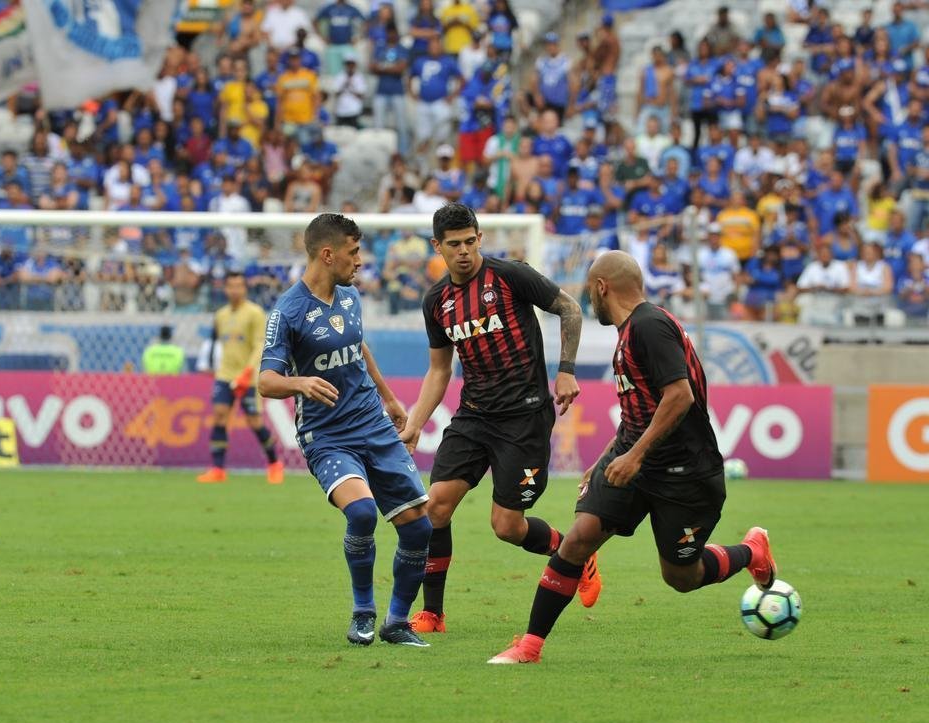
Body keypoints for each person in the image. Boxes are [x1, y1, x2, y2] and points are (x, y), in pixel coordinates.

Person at [488, 251, 777, 664]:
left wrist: (635, 455)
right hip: (636, 461)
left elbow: (679, 396)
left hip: (685, 473)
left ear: (601, 287)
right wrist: (609, 455)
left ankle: (752, 551)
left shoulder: (649, 326)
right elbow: (640, 412)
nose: (590, 301)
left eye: (590, 292)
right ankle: (530, 646)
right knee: (578, 539)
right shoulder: (631, 332)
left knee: (682, 576)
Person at [396, 203, 601, 635]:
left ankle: (573, 551)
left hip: (524, 418)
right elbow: (439, 370)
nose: (464, 251)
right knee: (435, 507)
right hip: (474, 416)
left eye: (470, 241)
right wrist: (414, 423)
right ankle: (432, 614)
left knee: (506, 527)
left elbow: (570, 308)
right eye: (454, 244)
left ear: (480, 238)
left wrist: (566, 369)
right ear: (437, 247)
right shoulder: (436, 301)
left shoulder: (510, 276)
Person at [259, 213, 433, 648]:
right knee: (362, 513)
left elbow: (358, 346)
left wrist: (389, 397)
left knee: (418, 527)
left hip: (373, 423)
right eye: (353, 252)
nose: (360, 261)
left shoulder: (351, 297)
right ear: (327, 254)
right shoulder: (288, 312)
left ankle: (397, 622)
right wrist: (300, 383)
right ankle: (363, 613)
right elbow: (266, 381)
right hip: (328, 435)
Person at [196, 272, 283, 484]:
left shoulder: (255, 313)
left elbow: (260, 345)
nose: (234, 290)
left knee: (254, 422)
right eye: (231, 286)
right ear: (225, 289)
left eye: (238, 286)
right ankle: (218, 469)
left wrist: (248, 372)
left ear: (245, 289)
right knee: (219, 416)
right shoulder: (220, 315)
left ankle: (274, 463)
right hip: (225, 375)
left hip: (248, 376)